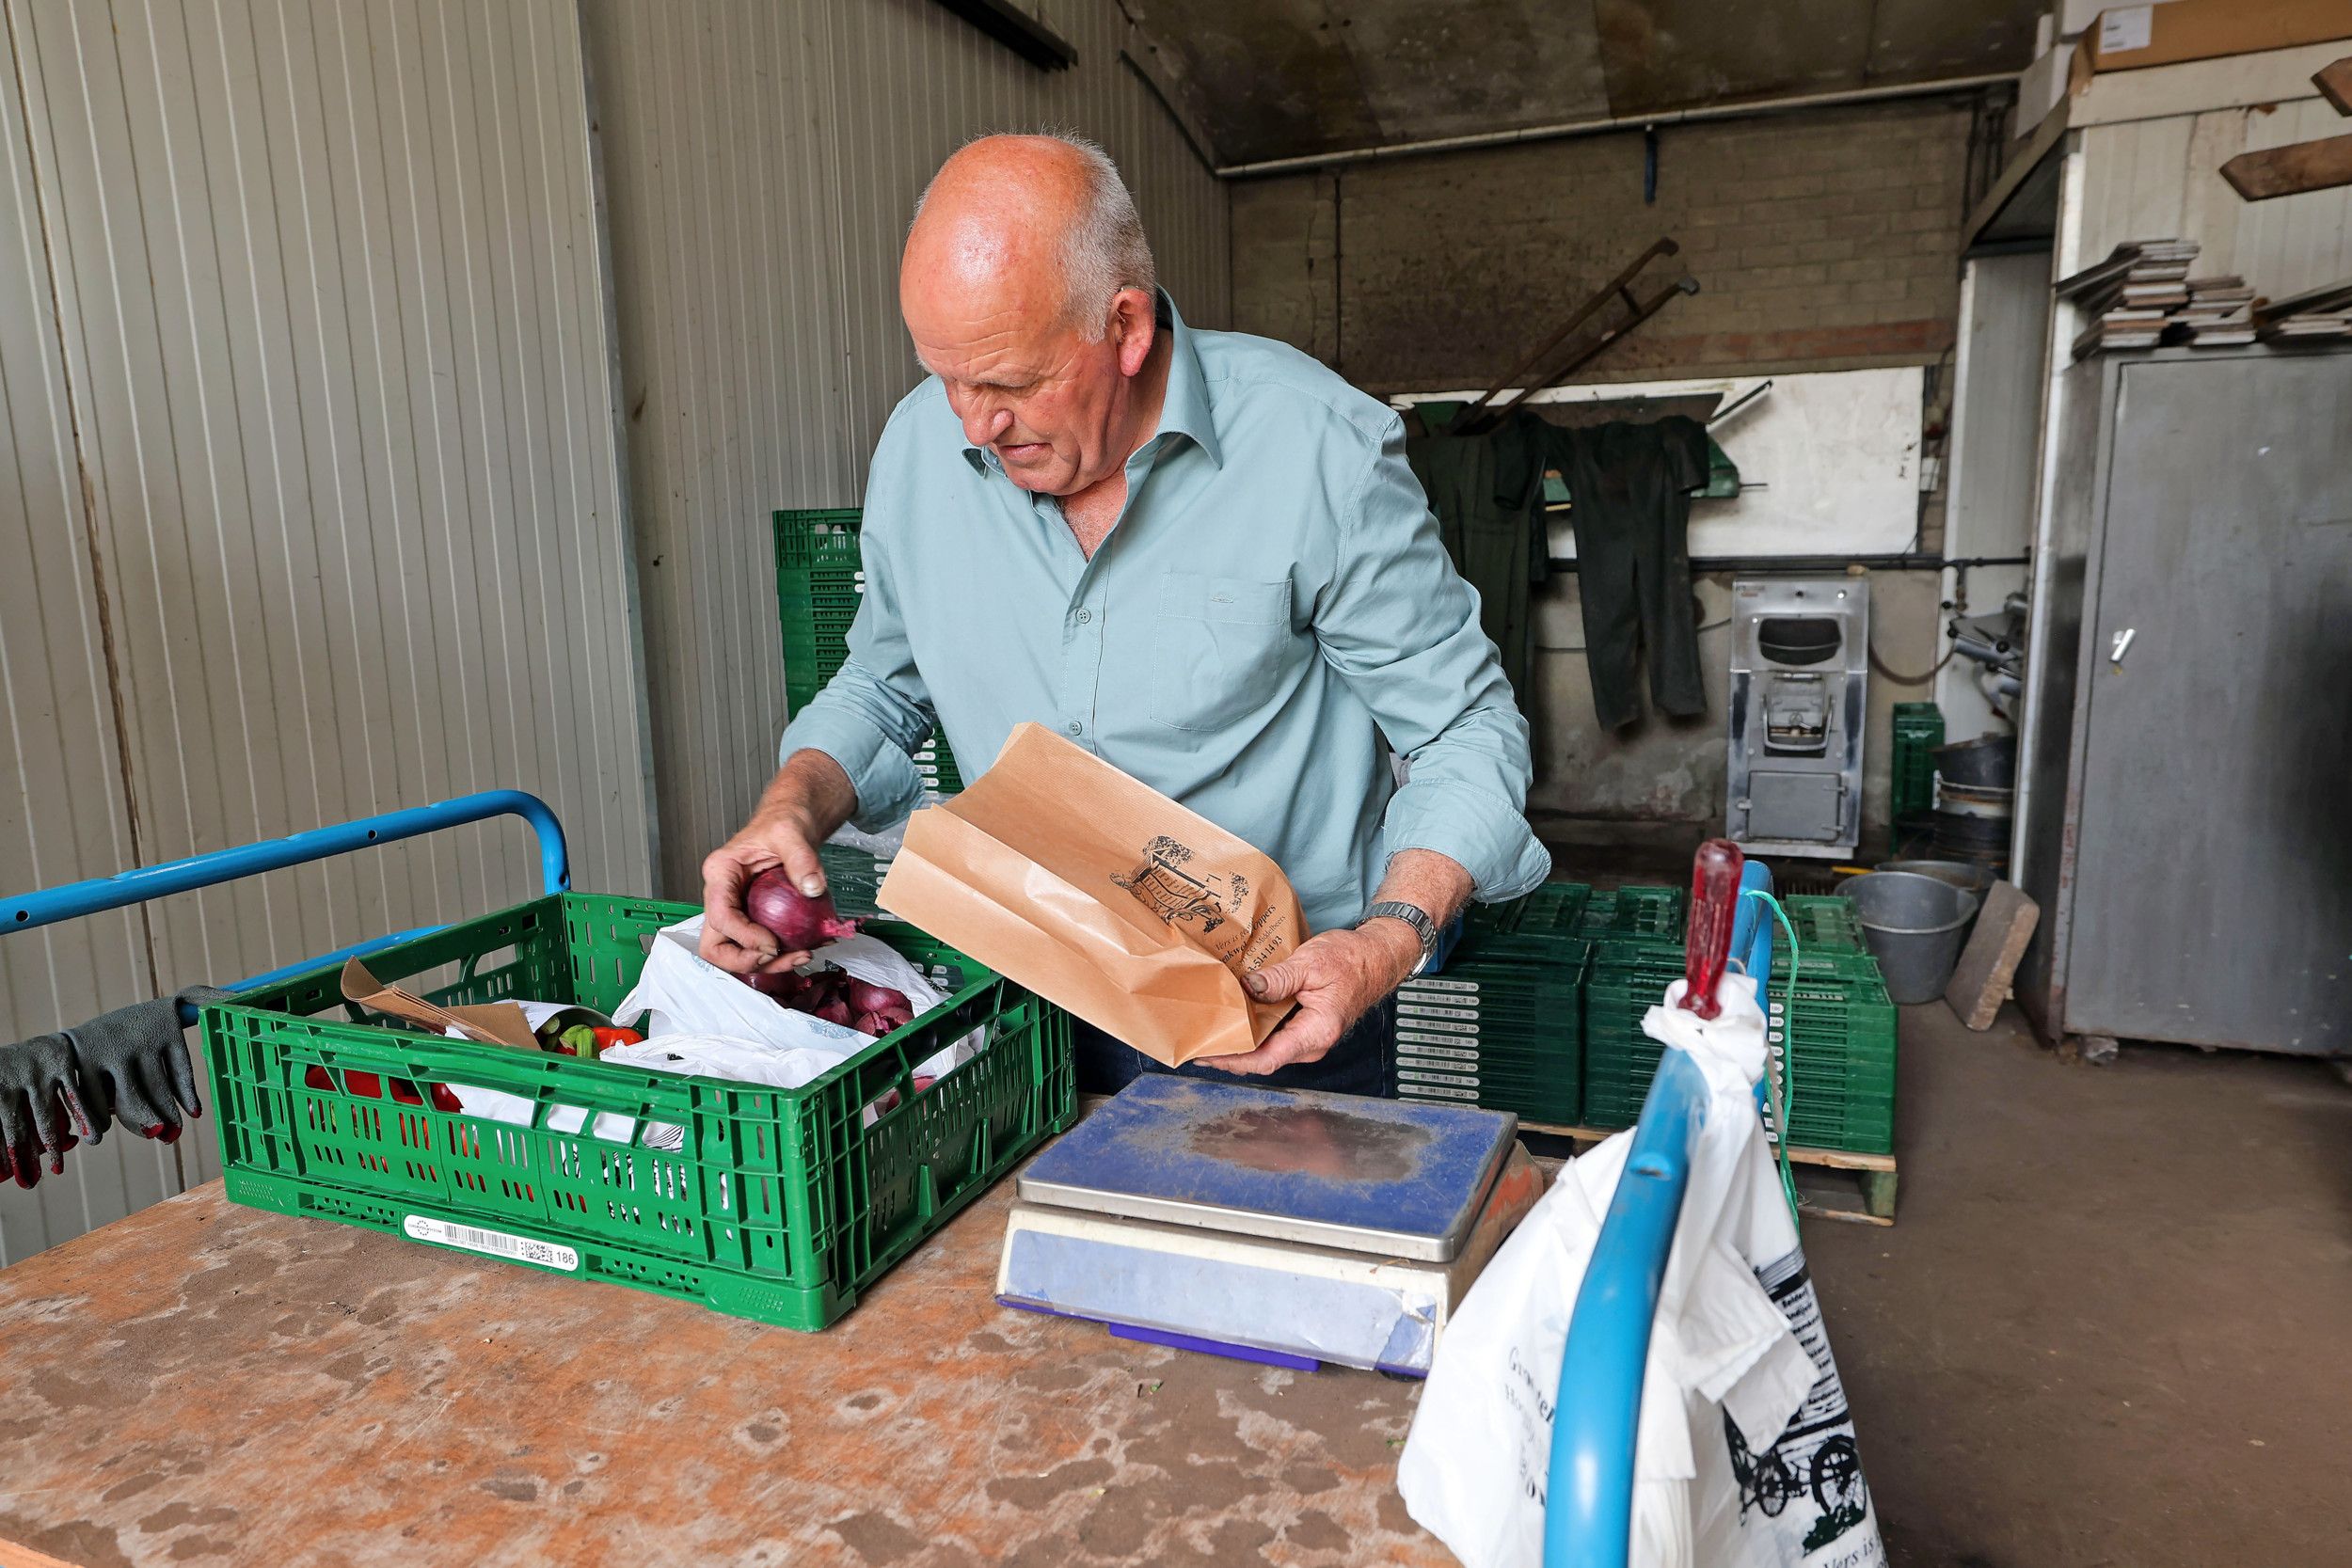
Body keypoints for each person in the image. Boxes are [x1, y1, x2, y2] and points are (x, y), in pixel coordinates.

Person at [700, 133, 1549, 1096]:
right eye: (947, 378)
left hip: (1282, 1024)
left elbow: (1462, 730)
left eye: (1012, 383)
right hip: (1026, 1006)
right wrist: (788, 806)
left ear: (1127, 326)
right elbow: (880, 689)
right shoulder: (916, 449)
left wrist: (1387, 939)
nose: (974, 425)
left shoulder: (1316, 449)